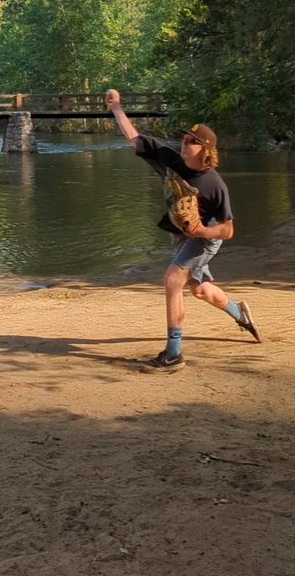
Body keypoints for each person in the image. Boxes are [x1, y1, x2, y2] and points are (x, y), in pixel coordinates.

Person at [105, 89, 261, 370]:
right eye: (185, 139)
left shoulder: (215, 185)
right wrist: (116, 108)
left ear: (206, 151)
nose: (184, 143)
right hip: (181, 235)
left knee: (172, 280)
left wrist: (202, 232)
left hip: (204, 238)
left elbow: (227, 230)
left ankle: (174, 352)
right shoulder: (170, 159)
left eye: (192, 141)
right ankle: (241, 315)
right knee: (200, 290)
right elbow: (134, 138)